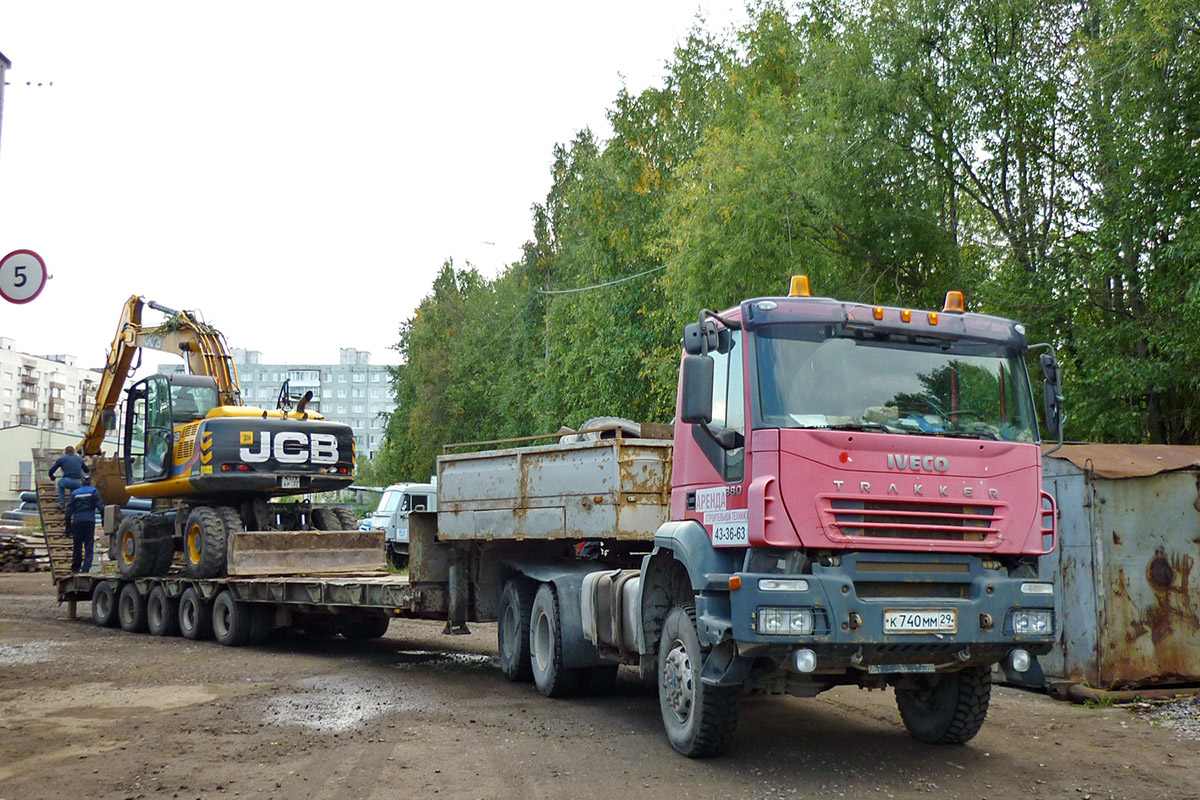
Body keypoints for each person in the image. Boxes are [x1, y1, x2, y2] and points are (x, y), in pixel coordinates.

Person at [65, 476, 103, 574]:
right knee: (88, 546)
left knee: (77, 545)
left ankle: (75, 569)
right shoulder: (93, 491)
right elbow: (101, 507)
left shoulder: (75, 493)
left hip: (77, 522)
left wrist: (68, 528)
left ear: (81, 483)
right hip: (89, 521)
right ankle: (85, 569)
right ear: (90, 482)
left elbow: (68, 511)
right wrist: (103, 521)